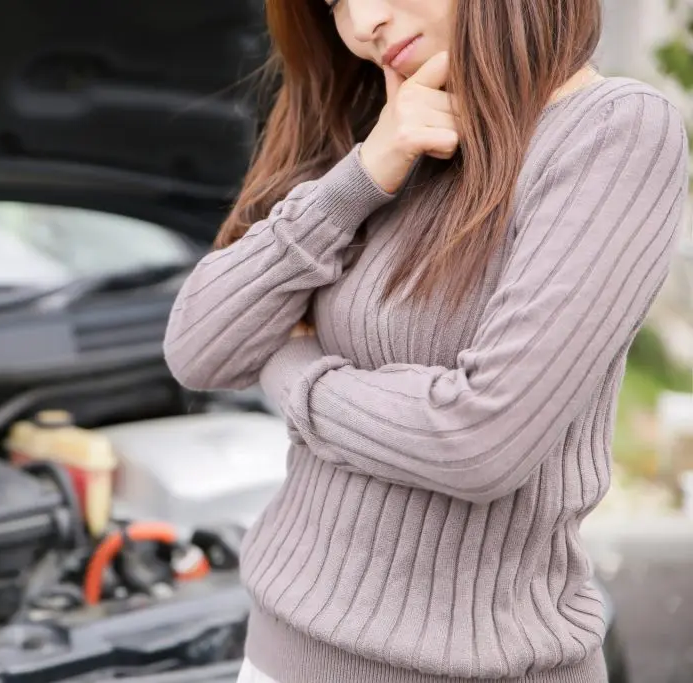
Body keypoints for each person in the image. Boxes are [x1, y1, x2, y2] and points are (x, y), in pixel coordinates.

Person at [163, 0, 689, 681]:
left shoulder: (612, 131)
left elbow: (478, 439)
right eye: (333, 4)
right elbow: (199, 348)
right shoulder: (378, 129)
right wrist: (359, 177)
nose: (360, 25)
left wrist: (295, 373)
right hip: (276, 651)